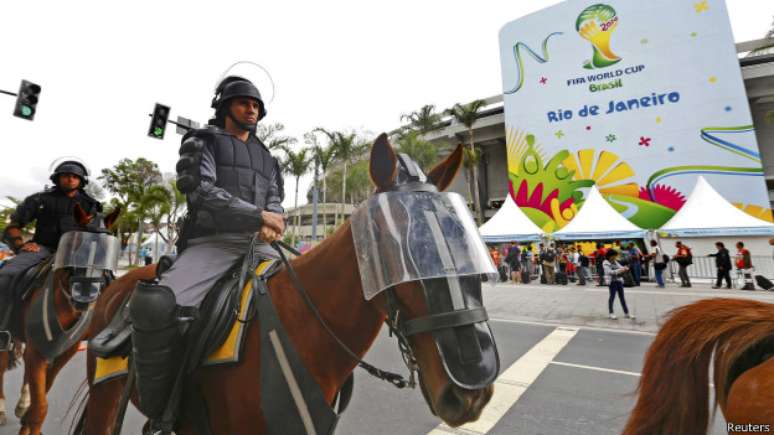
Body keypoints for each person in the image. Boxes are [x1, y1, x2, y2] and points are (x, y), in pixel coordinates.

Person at [127, 76, 286, 431]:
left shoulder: (267, 157)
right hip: (212, 242)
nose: (251, 109)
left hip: (260, 245)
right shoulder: (203, 141)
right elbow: (200, 190)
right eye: (244, 102)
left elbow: (274, 197)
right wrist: (257, 215)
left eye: (256, 105)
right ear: (226, 106)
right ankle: (162, 410)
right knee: (159, 306)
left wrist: (273, 220)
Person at [0, 160, 102, 349]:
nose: (70, 179)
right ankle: (3, 330)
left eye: (75, 177)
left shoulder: (91, 204)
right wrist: (21, 245)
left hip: (76, 253)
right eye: (66, 175)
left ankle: (102, 329)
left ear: (81, 181)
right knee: (5, 275)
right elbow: (13, 227)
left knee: (107, 281)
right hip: (42, 249)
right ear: (57, 178)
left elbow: (96, 233)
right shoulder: (39, 199)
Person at [603, 249, 634, 320]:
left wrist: (625, 268)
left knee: (622, 297)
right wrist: (621, 270)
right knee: (612, 297)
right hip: (612, 282)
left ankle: (627, 313)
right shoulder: (605, 262)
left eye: (615, 256)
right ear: (610, 256)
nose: (615, 257)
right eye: (614, 256)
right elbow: (610, 272)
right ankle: (611, 313)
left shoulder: (615, 262)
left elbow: (621, 267)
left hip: (619, 281)